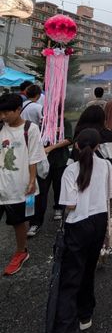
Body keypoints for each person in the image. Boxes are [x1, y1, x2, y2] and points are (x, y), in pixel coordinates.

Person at [35, 128, 112, 333]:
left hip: (77, 224)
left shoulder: (71, 170)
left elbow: (67, 204)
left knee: (68, 281)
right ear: (96, 147)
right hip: (98, 222)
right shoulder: (104, 166)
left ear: (78, 145)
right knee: (87, 270)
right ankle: (85, 314)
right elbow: (110, 196)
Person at [0, 93, 47, 275]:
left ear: (18, 110)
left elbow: (34, 156)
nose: (3, 117)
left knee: (19, 222)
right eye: (1, 113)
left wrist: (32, 181)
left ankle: (21, 252)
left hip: (19, 185)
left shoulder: (30, 128)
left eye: (6, 113)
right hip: (1, 183)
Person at [27, 116, 73, 235]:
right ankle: (35, 223)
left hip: (60, 162)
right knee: (41, 193)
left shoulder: (64, 122)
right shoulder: (40, 124)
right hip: (43, 164)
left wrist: (51, 148)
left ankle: (58, 208)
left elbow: (69, 139)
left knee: (59, 187)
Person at [72, 106, 112, 184]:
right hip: (103, 178)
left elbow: (73, 158)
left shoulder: (79, 135)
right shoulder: (107, 135)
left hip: (81, 178)